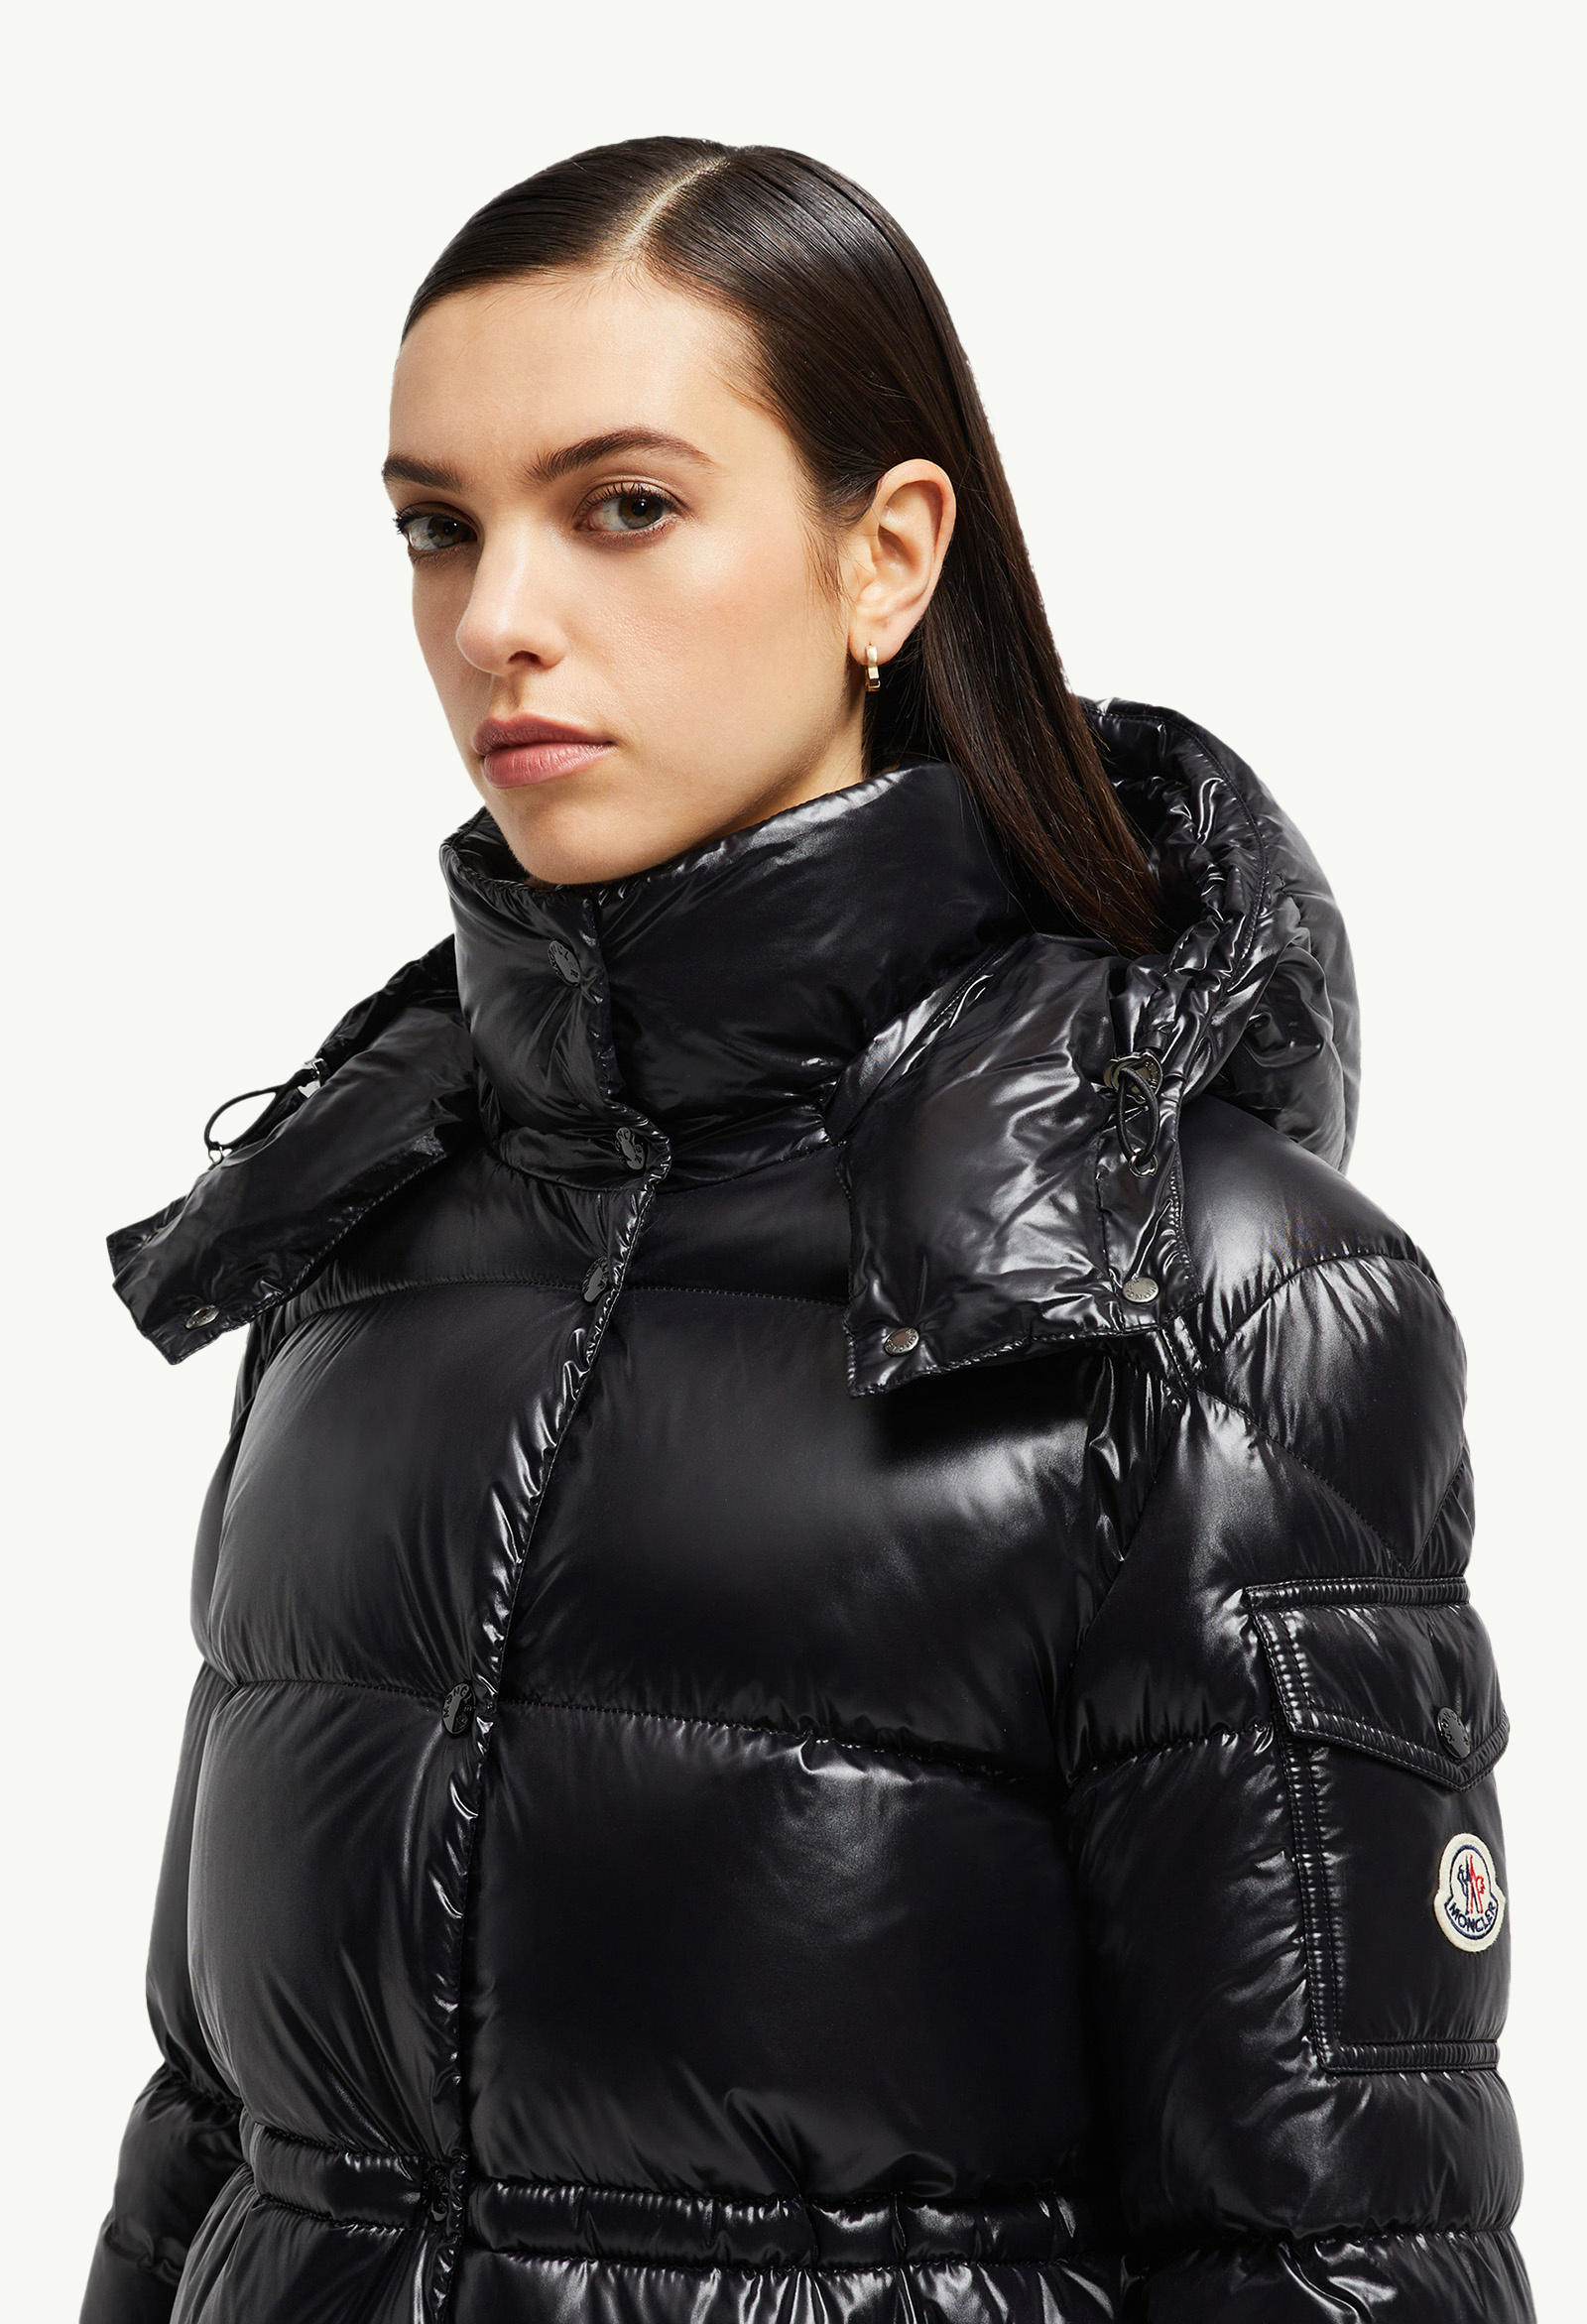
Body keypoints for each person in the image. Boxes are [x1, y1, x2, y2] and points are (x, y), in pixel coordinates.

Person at [81, 138, 1531, 2324]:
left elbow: (1333, 2254)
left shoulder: (1204, 1297)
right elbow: (215, 2119)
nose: (496, 619)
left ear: (887, 556)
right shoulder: (361, 1241)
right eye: (435, 526)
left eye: (622, 506)